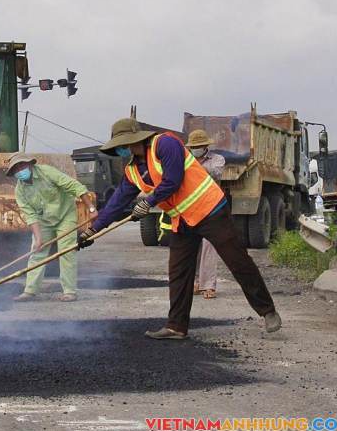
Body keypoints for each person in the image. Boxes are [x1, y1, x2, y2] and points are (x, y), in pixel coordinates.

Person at [79, 118, 281, 338]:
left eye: (123, 145)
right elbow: (116, 203)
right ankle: (176, 326)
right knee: (178, 272)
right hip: (183, 220)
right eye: (118, 148)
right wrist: (92, 231)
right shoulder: (132, 171)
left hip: (210, 210)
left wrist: (148, 202)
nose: (121, 151)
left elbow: (173, 180)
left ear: (134, 141)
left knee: (237, 260)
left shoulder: (165, 144)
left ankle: (268, 311)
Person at [7, 153, 96, 302]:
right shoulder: (20, 190)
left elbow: (74, 186)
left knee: (66, 252)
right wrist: (39, 238)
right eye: (16, 169)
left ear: (29, 164)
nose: (20, 170)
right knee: (36, 253)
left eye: (22, 165)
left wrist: (91, 208)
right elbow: (31, 216)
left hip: (65, 215)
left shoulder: (47, 172)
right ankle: (30, 291)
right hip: (43, 221)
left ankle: (69, 291)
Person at [186, 129, 226, 300]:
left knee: (209, 245)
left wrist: (194, 167)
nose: (196, 149)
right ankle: (195, 281)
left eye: (199, 146)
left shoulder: (217, 160)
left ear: (205, 146)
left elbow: (216, 173)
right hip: (190, 207)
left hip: (211, 207)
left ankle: (208, 285)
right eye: (193, 147)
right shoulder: (185, 160)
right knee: (190, 246)